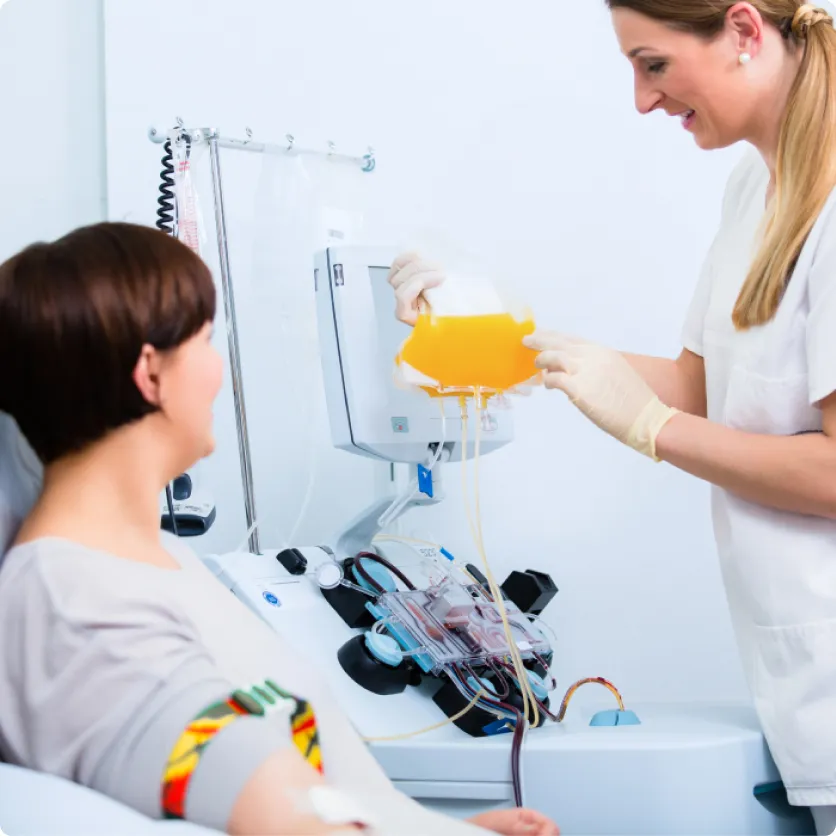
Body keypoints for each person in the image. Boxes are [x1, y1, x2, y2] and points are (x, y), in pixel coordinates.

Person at [388, 3, 836, 835]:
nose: (641, 99)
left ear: (743, 30)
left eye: (654, 64)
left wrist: (651, 429)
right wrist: (489, 341)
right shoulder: (754, 186)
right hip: (805, 694)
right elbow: (705, 390)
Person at [0, 222, 559, 836]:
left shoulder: (156, 562)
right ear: (150, 373)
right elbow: (286, 818)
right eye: (206, 341)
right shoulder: (73, 601)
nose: (219, 369)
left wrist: (439, 826)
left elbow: (299, 784)